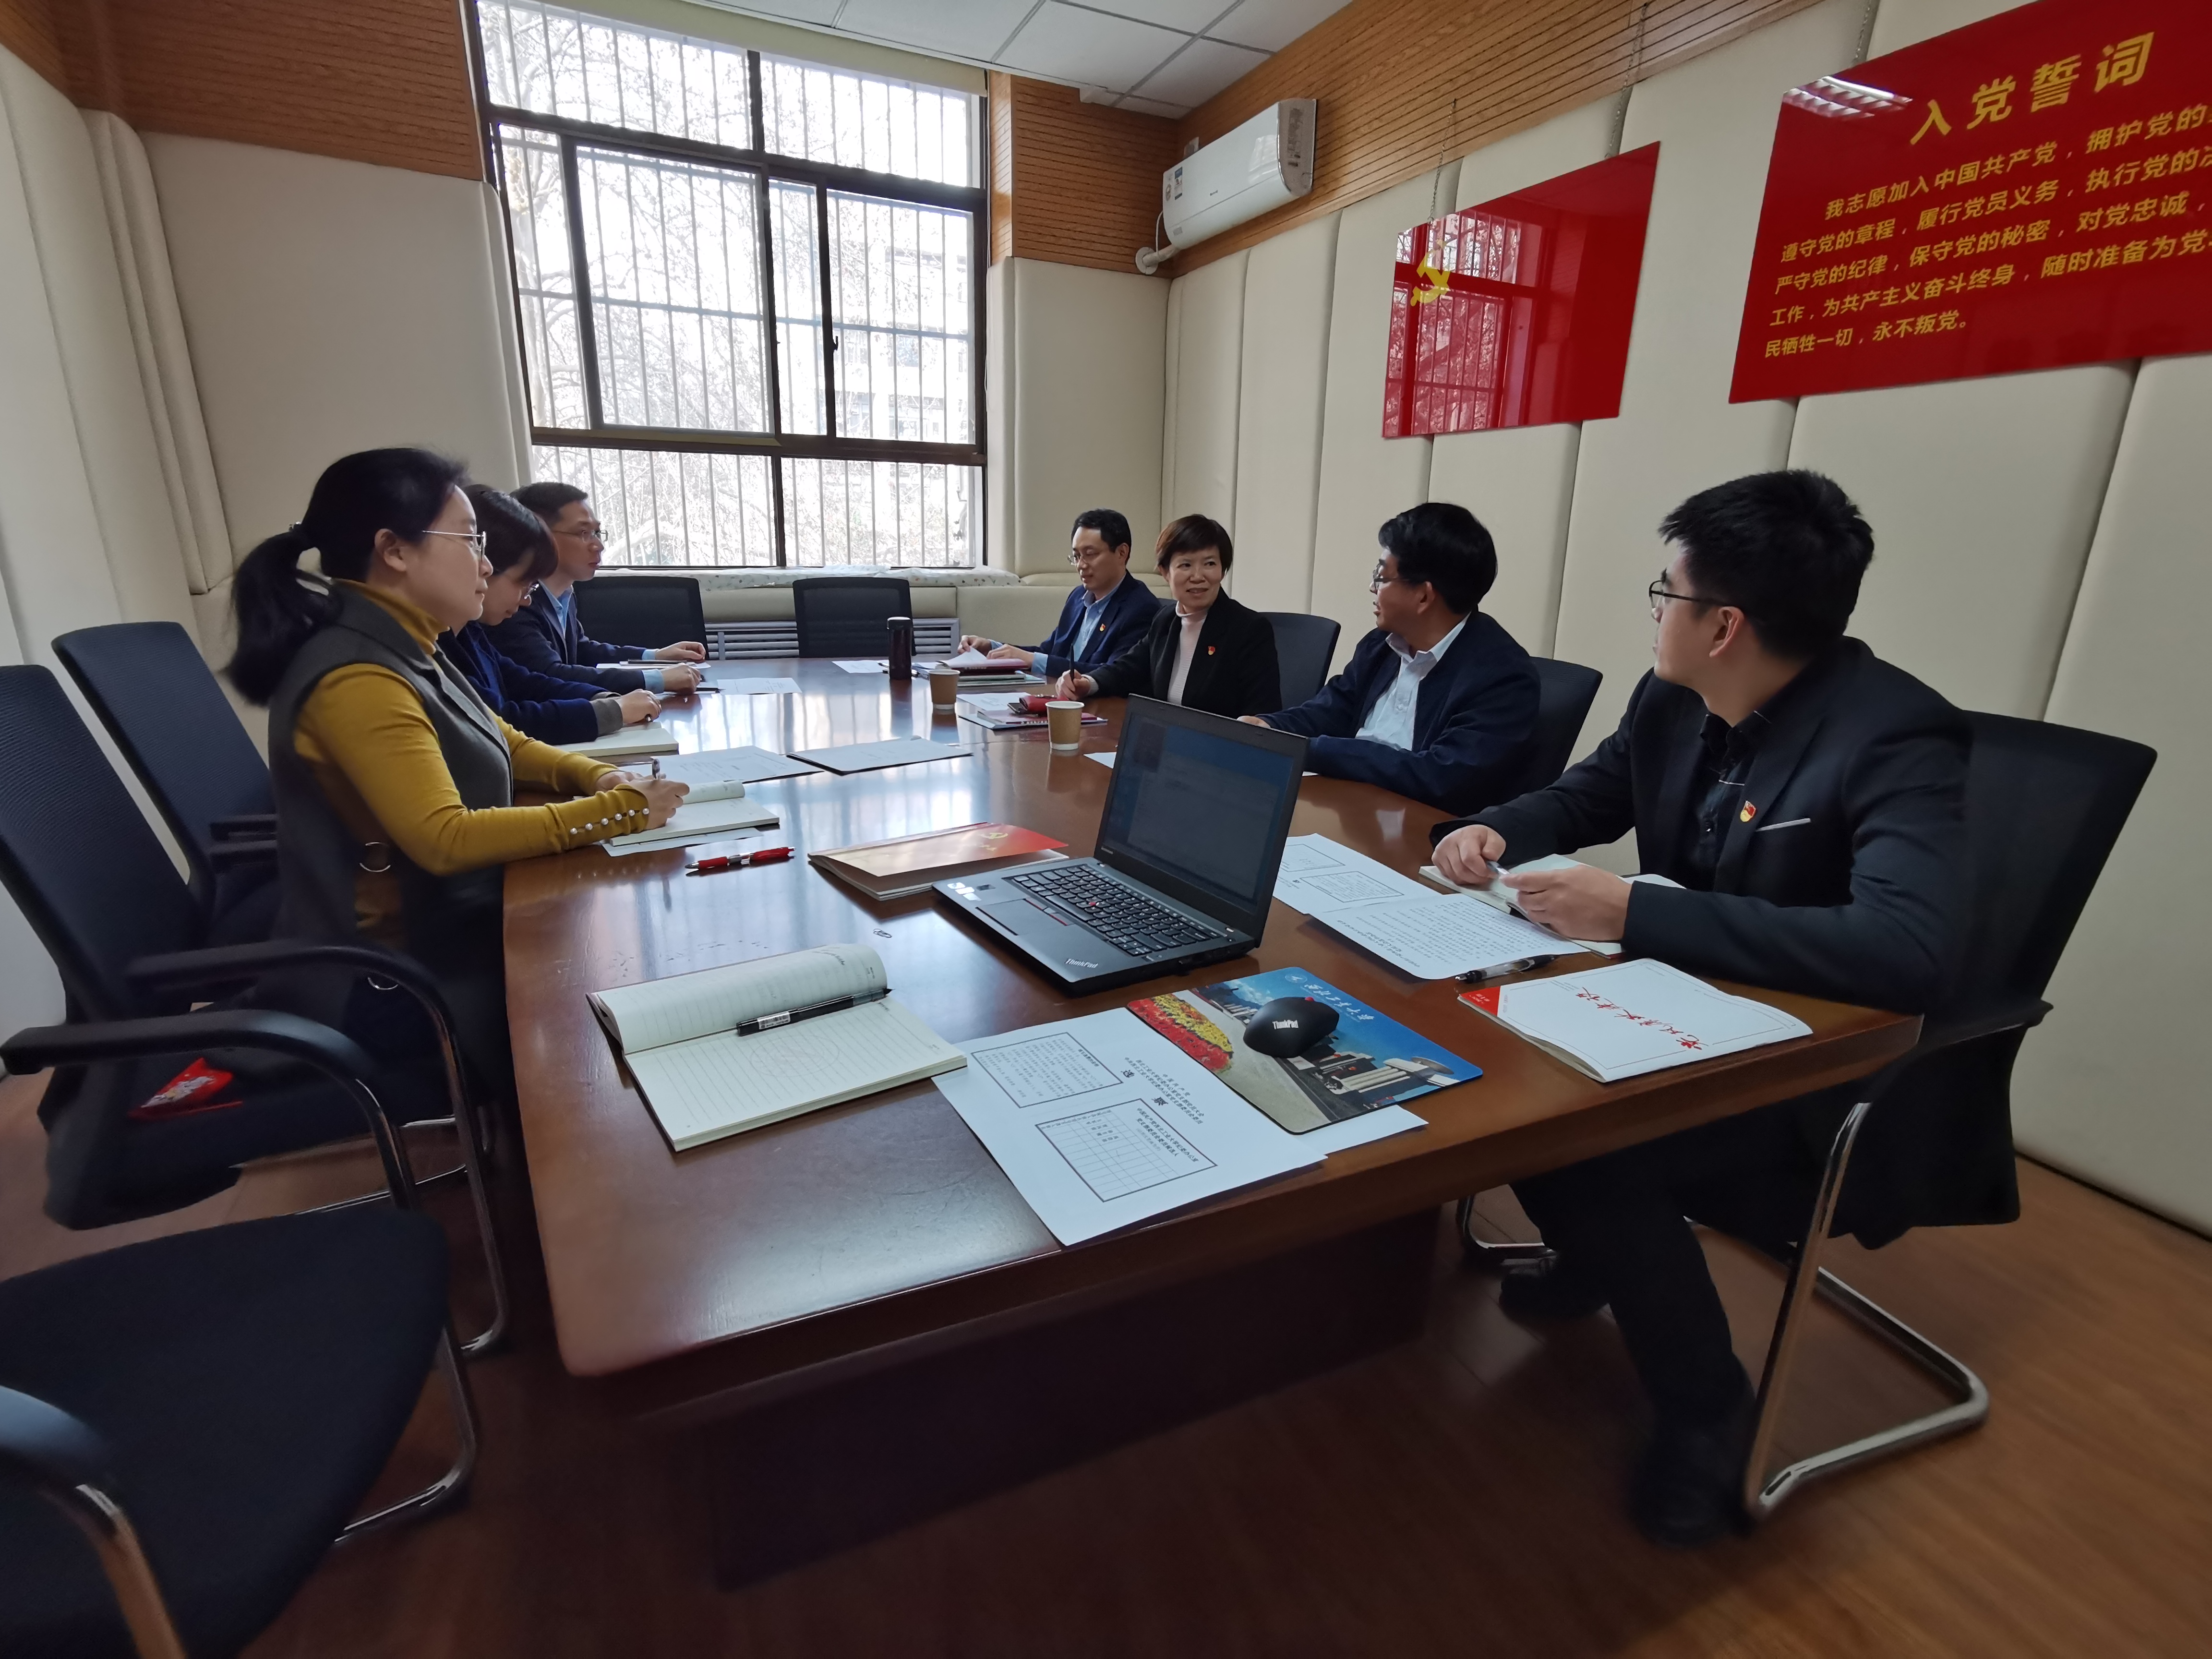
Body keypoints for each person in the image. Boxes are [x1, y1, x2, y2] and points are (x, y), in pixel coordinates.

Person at [1429, 469, 1969, 1548]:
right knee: (1501, 1070)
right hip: (1674, 1012)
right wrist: (1493, 828)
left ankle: (1706, 1406)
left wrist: (1634, 911)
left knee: (1591, 1142)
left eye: (1663, 593)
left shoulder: (1895, 734)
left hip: (1814, 1067)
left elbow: (1905, 950)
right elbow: (1589, 795)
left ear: (1723, 626)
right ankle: (1597, 1256)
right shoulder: (1671, 696)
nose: (1654, 613)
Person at [227, 449, 687, 1087]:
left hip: (446, 930)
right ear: (394, 551)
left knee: (612, 948)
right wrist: (619, 813)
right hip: (394, 979)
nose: (487, 564)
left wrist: (595, 777)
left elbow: (505, 740)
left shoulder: (408, 641)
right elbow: (445, 839)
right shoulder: (359, 675)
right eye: (471, 541)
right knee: (610, 1006)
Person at [1244, 503, 1538, 813]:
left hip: (1422, 828)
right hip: (1350, 809)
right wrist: (1269, 727)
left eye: (1382, 577)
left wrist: (1312, 751)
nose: (1372, 587)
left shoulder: (1503, 678)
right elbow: (1333, 709)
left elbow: (1440, 777)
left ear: (1423, 596)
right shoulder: (1382, 644)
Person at [446, 485, 661, 745]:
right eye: (523, 582)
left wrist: (605, 699)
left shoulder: (469, 632)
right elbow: (503, 721)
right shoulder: (449, 642)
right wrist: (614, 709)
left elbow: (528, 682)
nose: (527, 599)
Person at [487, 481, 706, 694]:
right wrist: (655, 679)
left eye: (597, 533)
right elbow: (550, 675)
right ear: (539, 533)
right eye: (584, 533)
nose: (599, 546)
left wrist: (654, 656)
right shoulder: (515, 603)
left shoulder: (564, 594)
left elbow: (581, 650)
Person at [1054, 515, 1279, 718]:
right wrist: (1088, 683)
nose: (1198, 576)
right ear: (1165, 572)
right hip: (1165, 739)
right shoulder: (1166, 620)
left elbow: (1262, 716)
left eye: (1210, 564)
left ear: (1222, 570)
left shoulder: (1249, 629)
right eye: (1186, 565)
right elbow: (1129, 668)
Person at [958, 508, 1160, 677]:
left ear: (1122, 553)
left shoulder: (1141, 608)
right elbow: (1049, 653)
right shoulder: (1078, 598)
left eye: (1090, 554)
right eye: (1076, 556)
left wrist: (1032, 659)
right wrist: (992, 648)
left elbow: (1113, 674)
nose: (1081, 565)